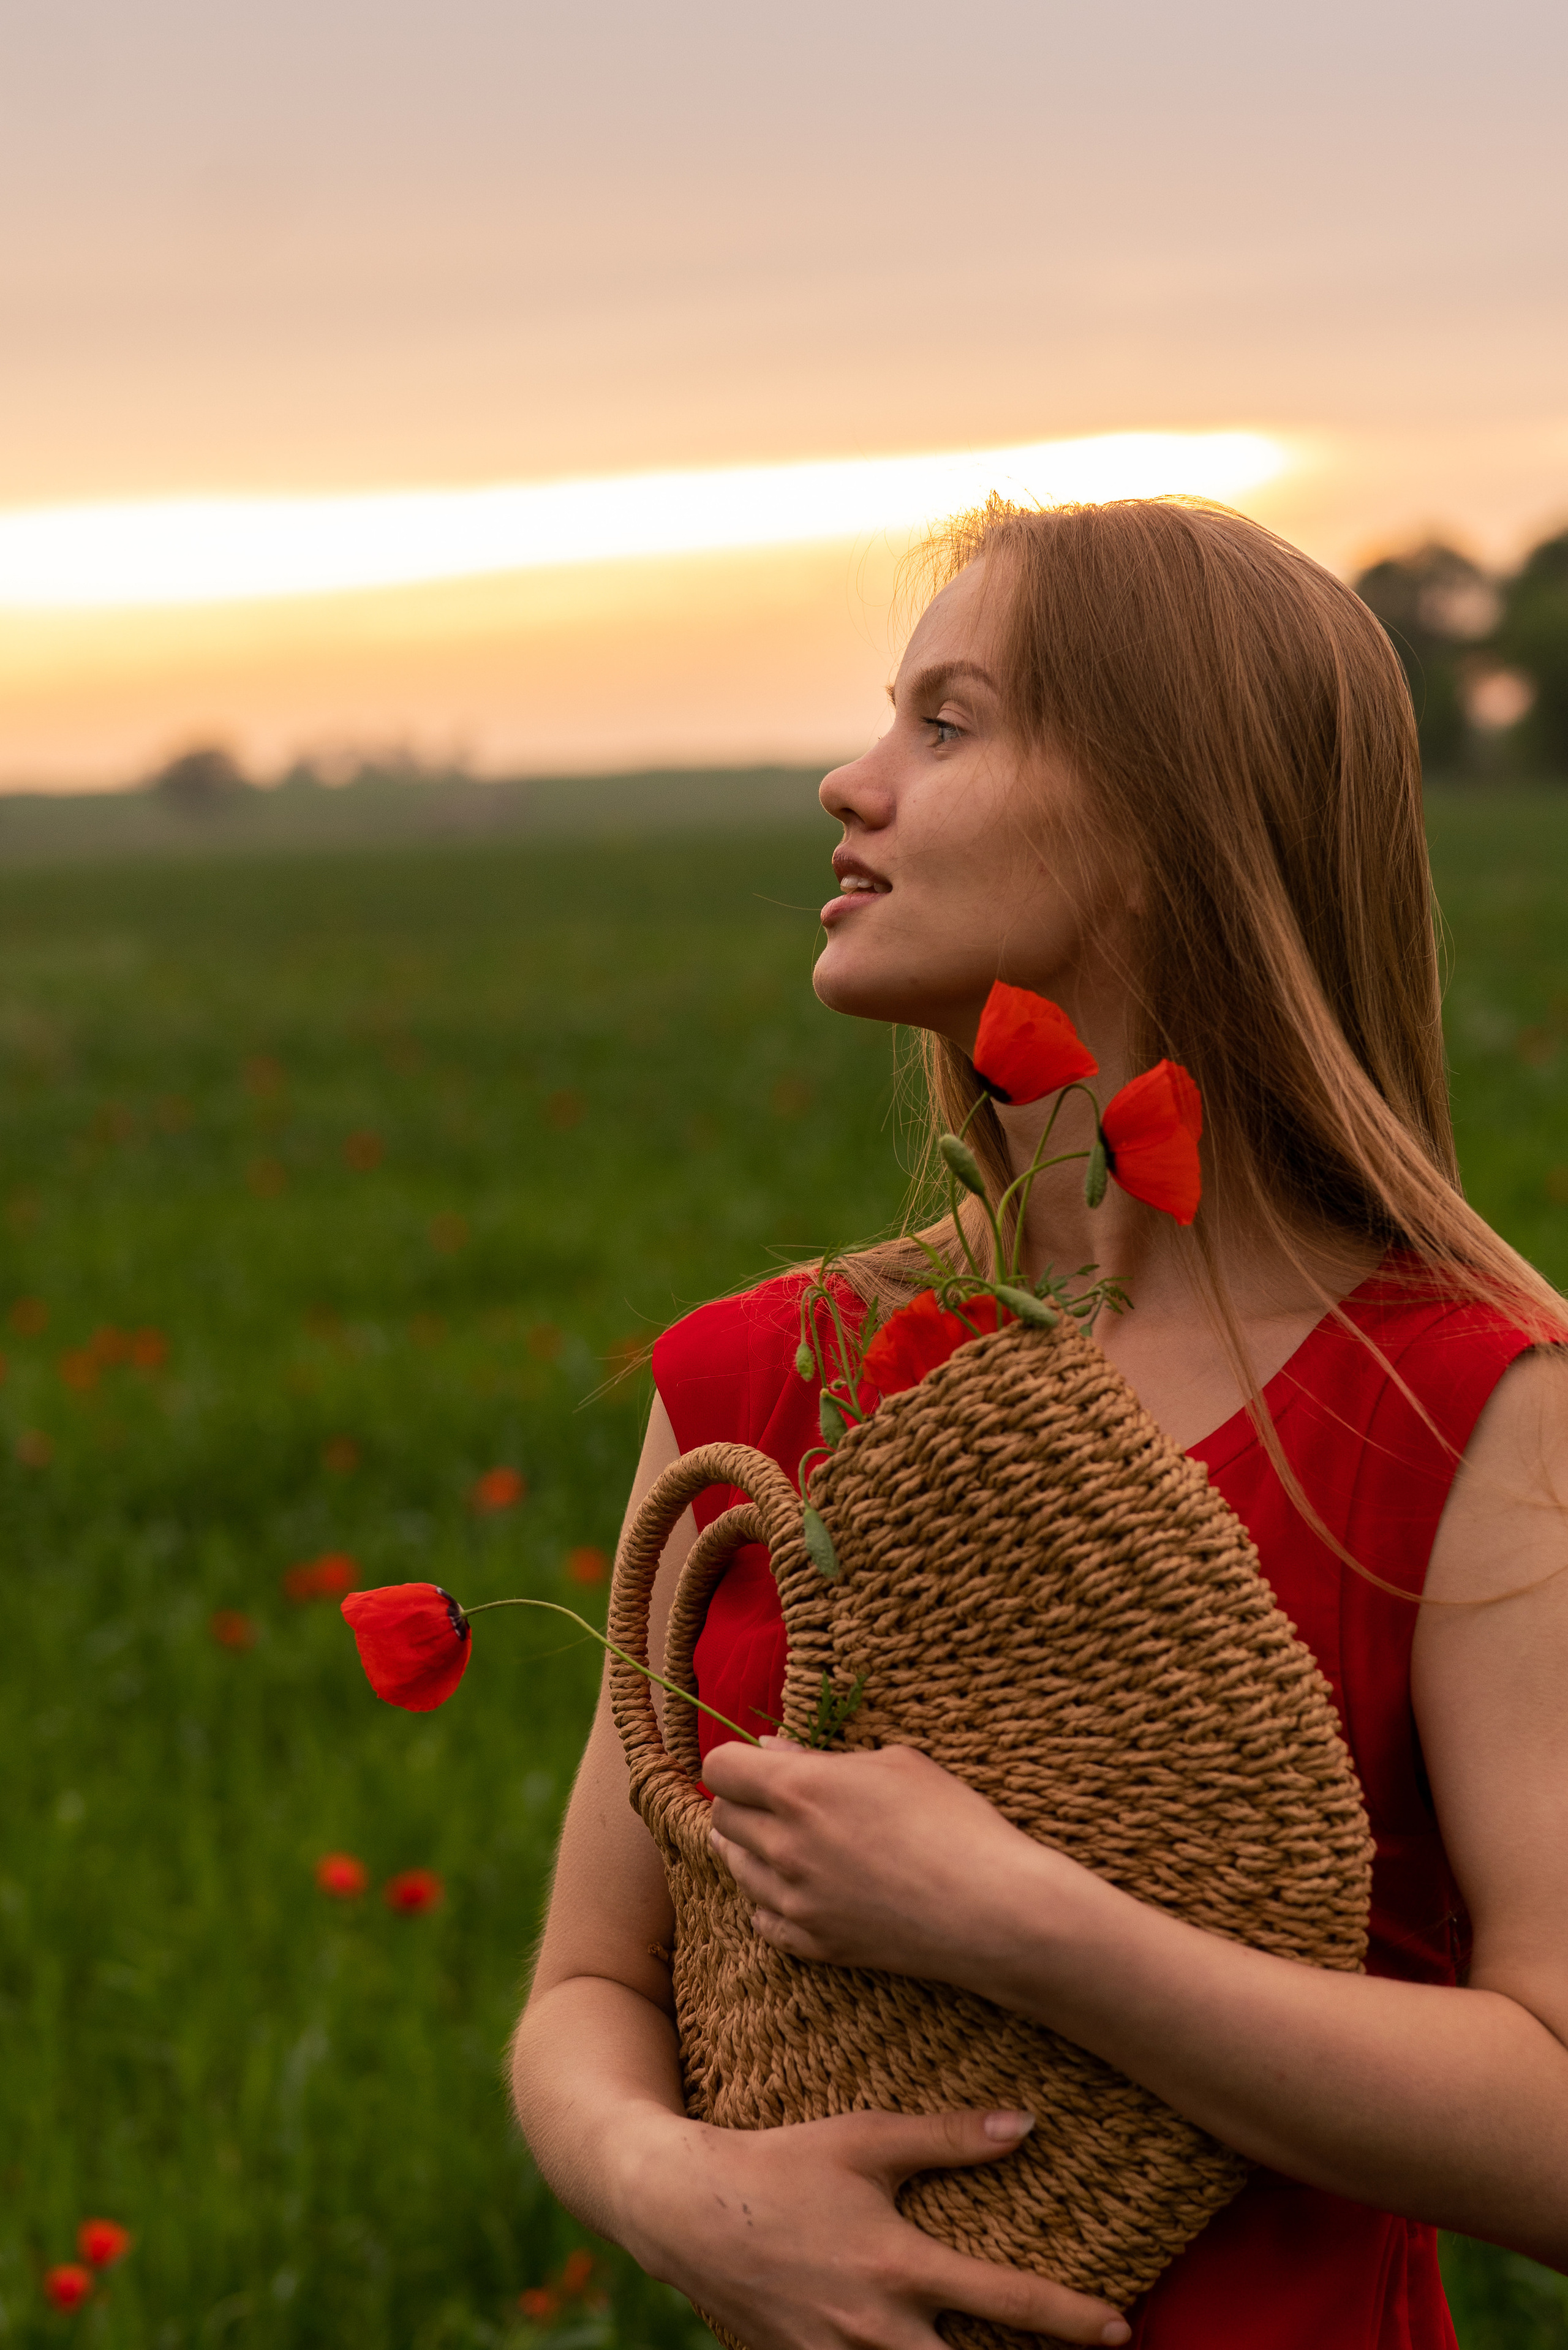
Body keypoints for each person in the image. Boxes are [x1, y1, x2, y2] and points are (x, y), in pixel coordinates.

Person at [510, 497, 1568, 2349]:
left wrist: (1021, 1921)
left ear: (1169, 823)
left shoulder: (1470, 1409)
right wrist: (680, 2193)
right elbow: (590, 1983)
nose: (851, 784)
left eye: (947, 724)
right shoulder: (764, 1378)